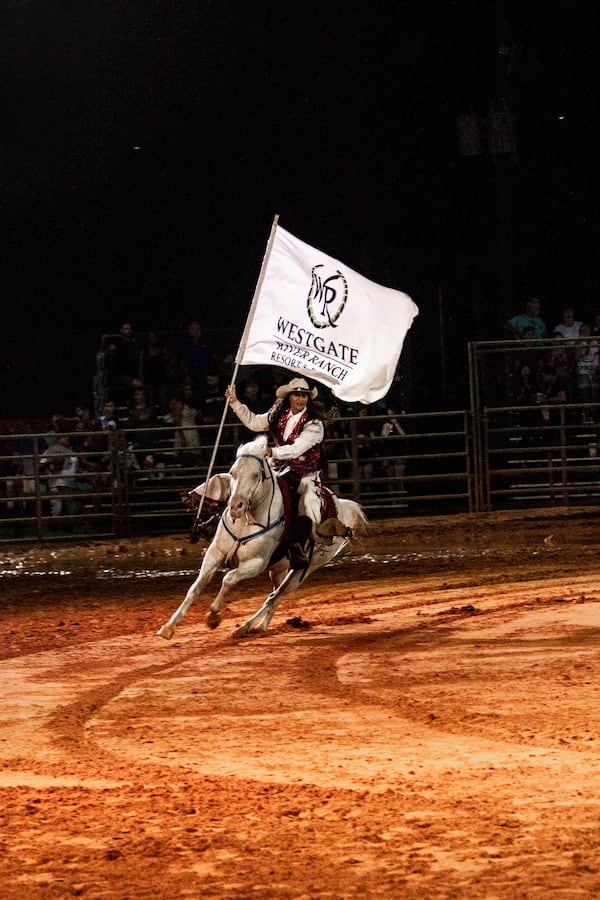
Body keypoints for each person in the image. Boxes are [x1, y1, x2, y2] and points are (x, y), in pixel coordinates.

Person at [224, 375, 337, 568]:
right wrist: (235, 403)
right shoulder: (279, 415)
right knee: (246, 480)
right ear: (289, 397)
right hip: (278, 468)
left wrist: (271, 451)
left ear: (308, 399)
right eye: (296, 395)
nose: (300, 399)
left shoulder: (314, 424)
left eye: (304, 395)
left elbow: (296, 449)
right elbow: (254, 422)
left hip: (305, 475)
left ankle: (297, 546)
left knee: (306, 504)